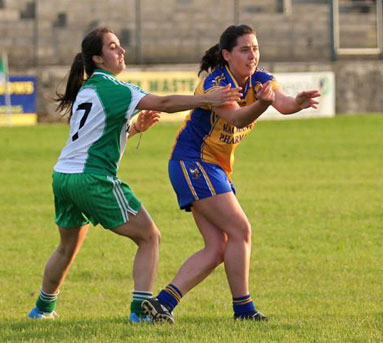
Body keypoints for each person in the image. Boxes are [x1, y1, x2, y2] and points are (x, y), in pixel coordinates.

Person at [27, 27, 241, 323]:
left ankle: (41, 309)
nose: (122, 51)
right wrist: (208, 99)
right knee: (149, 237)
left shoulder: (88, 90)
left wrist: (135, 128)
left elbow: (92, 133)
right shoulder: (114, 88)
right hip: (92, 178)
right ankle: (140, 313)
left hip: (63, 176)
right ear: (98, 58)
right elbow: (164, 104)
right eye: (113, 47)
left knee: (66, 247)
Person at [141, 24, 320, 323]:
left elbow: (283, 102)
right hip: (193, 162)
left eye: (256, 48)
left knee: (218, 248)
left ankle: (163, 303)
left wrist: (297, 104)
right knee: (241, 231)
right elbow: (236, 118)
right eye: (245, 50)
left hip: (211, 167)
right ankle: (244, 309)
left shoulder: (261, 79)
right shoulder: (216, 84)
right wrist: (263, 105)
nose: (253, 55)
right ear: (226, 54)